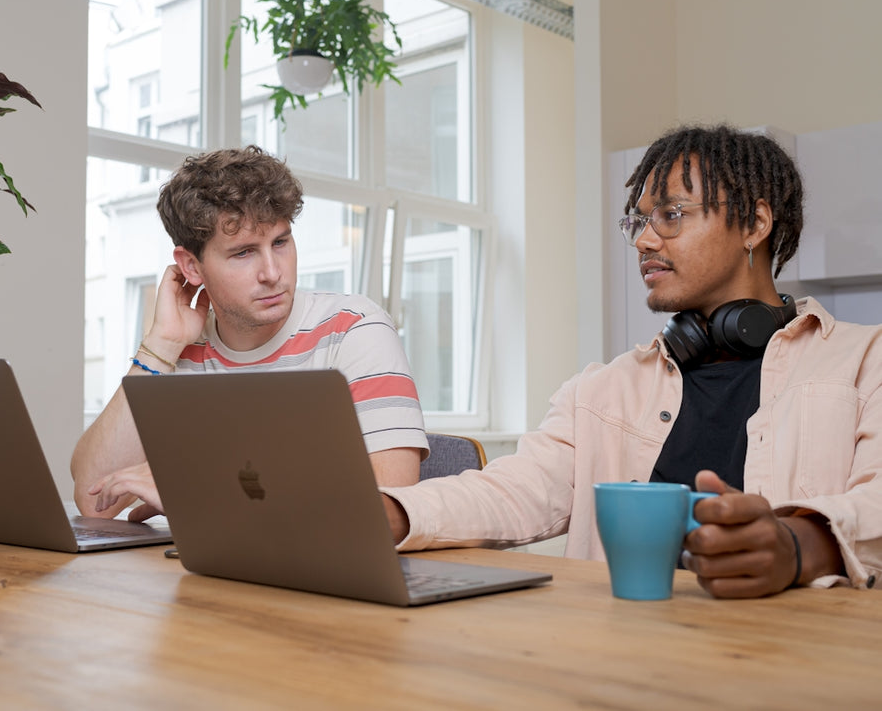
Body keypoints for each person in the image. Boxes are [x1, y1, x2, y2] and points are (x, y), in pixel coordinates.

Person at [380, 123, 882, 599]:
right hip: (627, 659)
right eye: (638, 221)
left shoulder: (865, 360)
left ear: (754, 223)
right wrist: (392, 513)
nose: (643, 239)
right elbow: (513, 491)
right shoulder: (600, 391)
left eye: (671, 215)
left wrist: (798, 545)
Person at [72, 146, 429, 521]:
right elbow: (94, 501)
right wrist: (159, 346)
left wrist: (201, 496)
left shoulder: (354, 329)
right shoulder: (181, 350)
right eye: (243, 253)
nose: (273, 272)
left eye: (280, 242)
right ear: (191, 266)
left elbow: (391, 508)